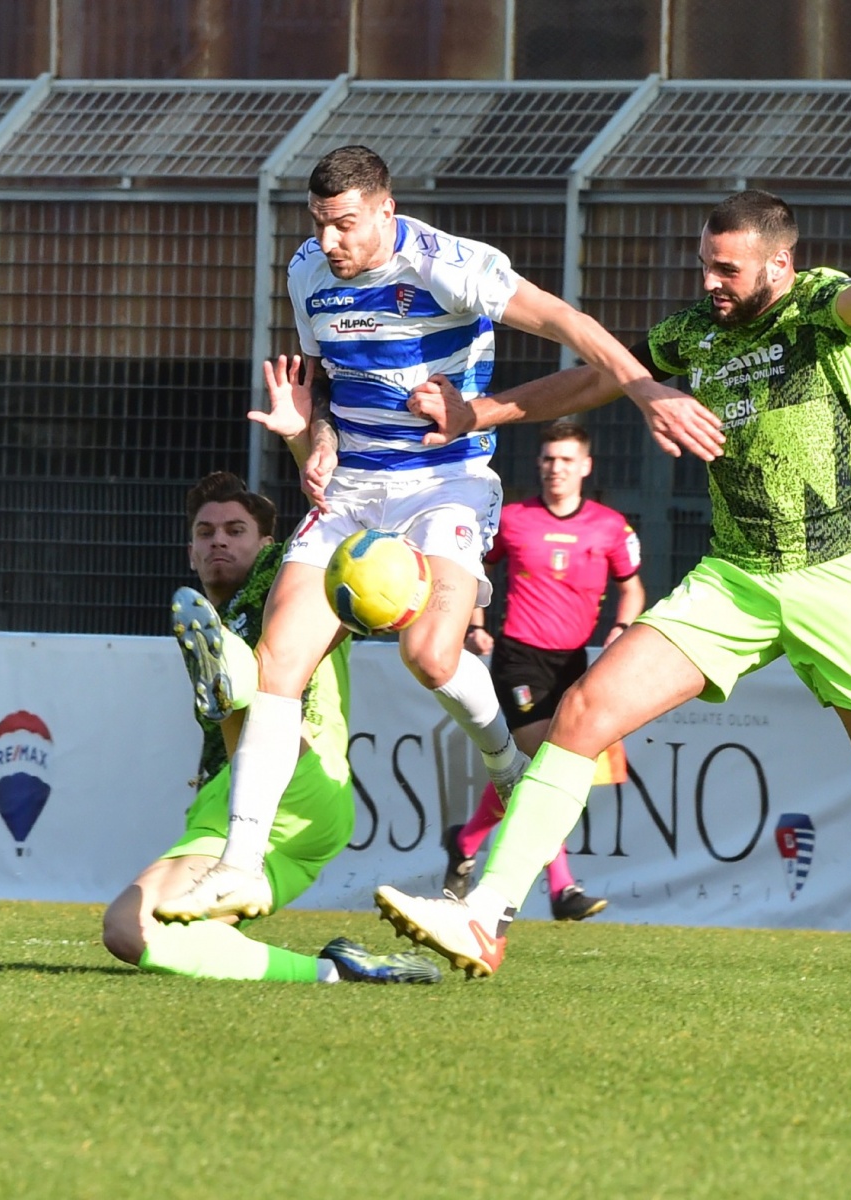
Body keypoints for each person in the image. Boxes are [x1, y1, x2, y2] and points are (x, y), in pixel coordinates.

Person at [375, 189, 851, 1008]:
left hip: (837, 579)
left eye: (726, 268)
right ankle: (485, 914)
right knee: (584, 713)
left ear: (778, 263)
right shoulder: (690, 333)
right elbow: (597, 378)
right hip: (736, 579)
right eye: (704, 262)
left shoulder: (815, 305)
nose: (709, 279)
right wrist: (475, 413)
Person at [152, 144, 722, 923]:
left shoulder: (448, 266)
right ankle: (239, 864)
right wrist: (316, 438)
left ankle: (505, 767)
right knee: (275, 662)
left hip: (443, 484)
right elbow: (324, 383)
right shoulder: (307, 271)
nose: (330, 243)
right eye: (319, 225)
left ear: (385, 210)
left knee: (429, 655)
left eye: (346, 225)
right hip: (353, 492)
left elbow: (568, 322)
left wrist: (645, 388)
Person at [101, 470, 440, 985]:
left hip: (299, 770)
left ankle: (234, 680)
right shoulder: (210, 610)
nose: (218, 538)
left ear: (267, 544)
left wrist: (311, 440)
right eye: (205, 532)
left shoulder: (293, 580)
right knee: (132, 930)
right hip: (239, 808)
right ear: (190, 552)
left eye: (235, 530)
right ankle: (336, 973)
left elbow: (335, 514)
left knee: (251, 678)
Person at [446, 420, 645, 921]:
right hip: (518, 659)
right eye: (548, 459)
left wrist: (622, 627)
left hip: (572, 664)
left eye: (566, 459)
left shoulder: (610, 527)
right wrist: (475, 623)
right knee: (541, 769)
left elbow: (634, 586)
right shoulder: (513, 519)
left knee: (538, 773)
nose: (556, 468)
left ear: (585, 466)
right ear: (540, 465)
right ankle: (562, 887)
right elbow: (474, 567)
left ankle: (466, 840)